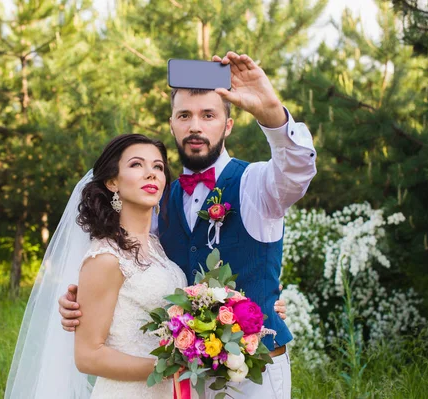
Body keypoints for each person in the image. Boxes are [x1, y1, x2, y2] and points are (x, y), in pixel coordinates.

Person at [60, 51, 317, 398]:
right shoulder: (155, 197)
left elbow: (298, 169)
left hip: (253, 375)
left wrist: (271, 112)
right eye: (185, 115)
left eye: (208, 115)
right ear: (172, 124)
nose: (195, 125)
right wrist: (81, 304)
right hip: (181, 379)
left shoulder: (258, 184)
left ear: (227, 124)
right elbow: (128, 270)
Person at [5, 134, 186, 398]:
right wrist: (166, 366)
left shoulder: (158, 248)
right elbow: (88, 356)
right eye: (137, 165)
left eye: (158, 167)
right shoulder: (105, 256)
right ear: (112, 182)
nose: (152, 174)